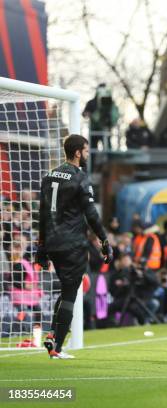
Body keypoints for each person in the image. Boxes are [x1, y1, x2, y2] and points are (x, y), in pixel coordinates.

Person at [35, 134, 113, 359]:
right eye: (87, 151)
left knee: (67, 288)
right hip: (72, 244)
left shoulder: (49, 176)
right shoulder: (80, 177)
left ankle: (52, 336)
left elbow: (42, 214)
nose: (87, 155)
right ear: (78, 152)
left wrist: (41, 247)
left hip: (52, 243)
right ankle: (57, 347)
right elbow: (91, 215)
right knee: (70, 292)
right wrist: (104, 241)